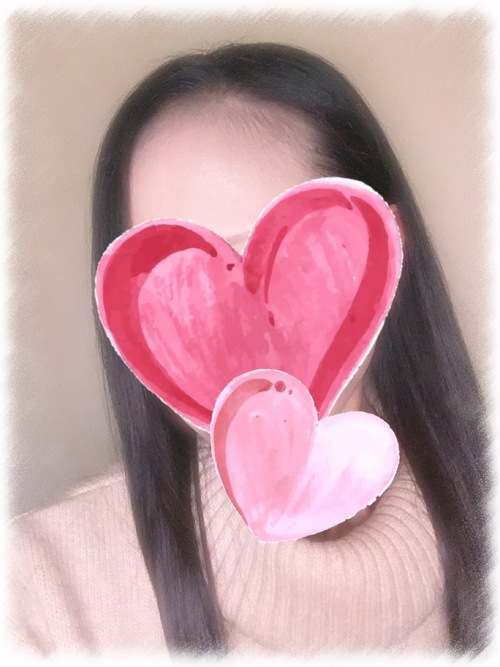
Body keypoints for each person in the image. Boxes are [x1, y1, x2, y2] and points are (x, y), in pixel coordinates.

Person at [8, 41, 491, 659]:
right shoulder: (36, 595)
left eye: (287, 265)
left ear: (390, 246)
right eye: (180, 291)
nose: (233, 335)